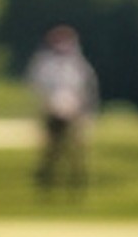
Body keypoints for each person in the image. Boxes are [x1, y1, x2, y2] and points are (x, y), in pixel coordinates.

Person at [26, 25, 98, 198]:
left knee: (74, 151)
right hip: (52, 113)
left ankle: (76, 183)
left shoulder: (78, 65)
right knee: (52, 151)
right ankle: (47, 183)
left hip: (74, 113)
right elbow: (38, 89)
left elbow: (87, 90)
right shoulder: (45, 64)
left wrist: (85, 112)